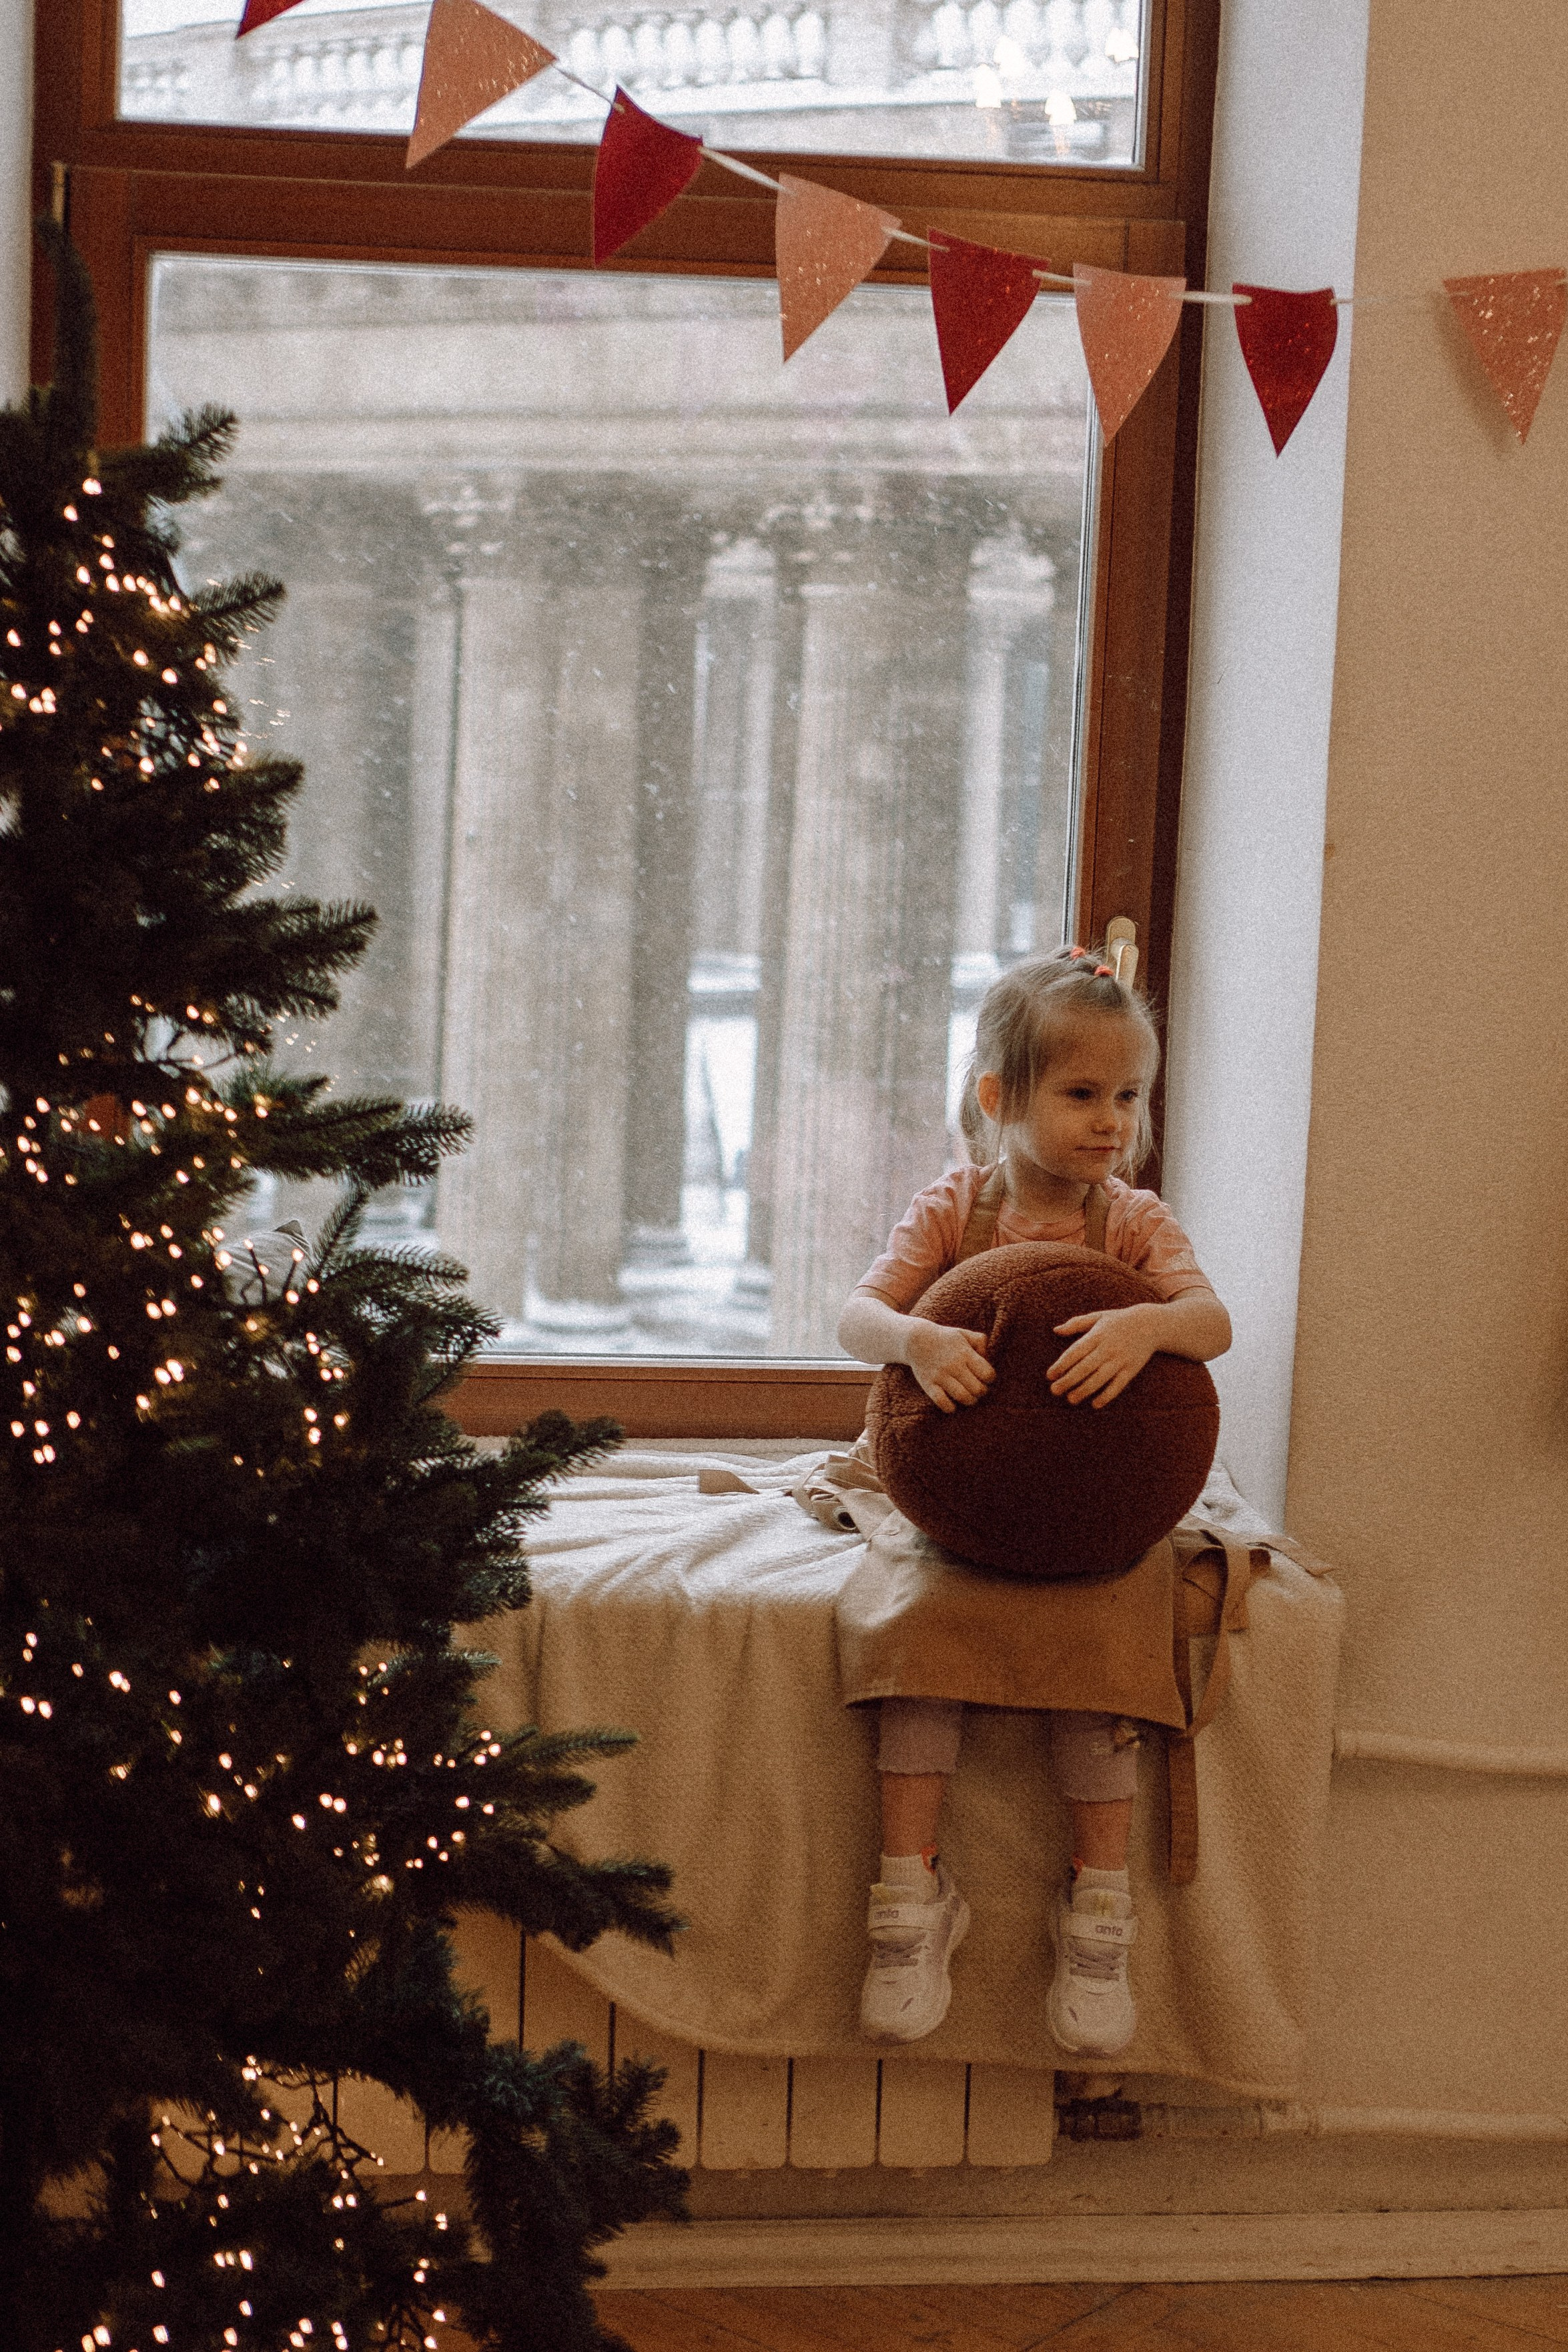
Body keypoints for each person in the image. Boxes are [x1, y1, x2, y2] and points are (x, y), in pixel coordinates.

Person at [837, 944, 1231, 2056]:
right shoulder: (955, 1207)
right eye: (1080, 1094)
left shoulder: (1135, 1225)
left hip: (1094, 1520)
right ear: (996, 1098)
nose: (1111, 1121)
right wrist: (916, 1341)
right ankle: (906, 1899)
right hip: (956, 1507)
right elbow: (857, 1317)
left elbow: (1212, 1324)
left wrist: (1147, 1323)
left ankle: (1097, 1907)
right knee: (916, 1643)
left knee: (1106, 1645)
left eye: (1128, 1096)